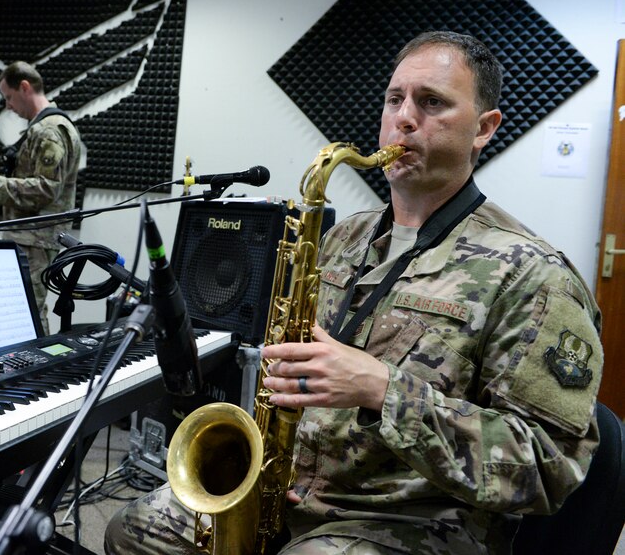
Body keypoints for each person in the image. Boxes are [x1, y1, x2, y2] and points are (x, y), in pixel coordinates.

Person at [104, 31, 603, 554]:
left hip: (414, 522)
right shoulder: (341, 237)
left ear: (484, 128)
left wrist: (384, 390)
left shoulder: (535, 273)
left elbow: (550, 466)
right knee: (132, 531)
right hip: (294, 492)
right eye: (395, 100)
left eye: (432, 102)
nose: (404, 117)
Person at [0, 61, 83, 335]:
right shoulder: (43, 128)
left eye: (8, 97)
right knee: (22, 313)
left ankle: (36, 371)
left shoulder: (49, 131)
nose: (8, 106)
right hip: (28, 238)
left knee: (29, 313)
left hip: (34, 240)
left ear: (24, 87)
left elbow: (46, 188)